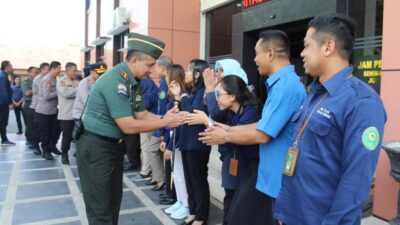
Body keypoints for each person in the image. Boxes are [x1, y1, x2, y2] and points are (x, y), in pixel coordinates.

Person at [274, 13, 387, 225]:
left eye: (307, 45)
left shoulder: (362, 102)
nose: (302, 53)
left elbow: (356, 180)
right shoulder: (315, 93)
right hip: (292, 215)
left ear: (328, 47)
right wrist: (284, 212)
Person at [199, 30, 307, 225]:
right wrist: (227, 130)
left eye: (257, 53)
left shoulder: (285, 87)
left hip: (277, 180)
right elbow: (264, 125)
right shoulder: (280, 85)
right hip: (268, 177)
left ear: (271, 53)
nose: (255, 59)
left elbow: (263, 134)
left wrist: (225, 136)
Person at [76, 32, 183, 225]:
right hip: (96, 148)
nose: (152, 70)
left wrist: (165, 117)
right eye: (149, 65)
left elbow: (142, 114)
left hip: (112, 147)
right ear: (134, 60)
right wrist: (165, 122)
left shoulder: (133, 82)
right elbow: (128, 124)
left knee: (113, 202)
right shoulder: (115, 81)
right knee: (100, 208)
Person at [186, 74, 261, 225]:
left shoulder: (250, 112)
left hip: (248, 166)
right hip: (232, 163)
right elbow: (215, 118)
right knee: (229, 202)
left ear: (233, 96)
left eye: (219, 94)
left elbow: (235, 135)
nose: (217, 98)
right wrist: (209, 119)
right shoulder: (228, 110)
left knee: (238, 206)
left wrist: (207, 121)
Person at [169, 59, 211, 225]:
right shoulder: (192, 92)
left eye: (188, 70)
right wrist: (181, 96)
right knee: (190, 180)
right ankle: (193, 211)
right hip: (187, 143)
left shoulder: (203, 92)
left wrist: (183, 96)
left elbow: (192, 113)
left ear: (197, 74)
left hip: (198, 144)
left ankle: (201, 217)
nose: (185, 73)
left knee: (198, 181)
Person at [163, 64, 189, 220]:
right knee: (176, 173)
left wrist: (170, 143)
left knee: (180, 173)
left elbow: (179, 122)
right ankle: (180, 201)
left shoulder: (182, 96)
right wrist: (166, 140)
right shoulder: (172, 95)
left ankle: (186, 204)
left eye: (167, 75)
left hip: (179, 139)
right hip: (173, 138)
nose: (165, 78)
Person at [36, 61, 62, 160]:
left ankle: (52, 147)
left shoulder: (55, 79)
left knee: (55, 130)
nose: (60, 70)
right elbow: (46, 96)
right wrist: (59, 91)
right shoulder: (46, 80)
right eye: (59, 68)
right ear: (53, 68)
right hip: (44, 112)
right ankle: (45, 151)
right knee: (45, 133)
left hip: (53, 110)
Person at [57, 62, 79, 165]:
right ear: (67, 70)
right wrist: (78, 89)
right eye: (74, 70)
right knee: (67, 137)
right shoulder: (62, 81)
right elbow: (66, 93)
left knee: (79, 135)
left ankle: (78, 152)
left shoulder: (75, 81)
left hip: (77, 113)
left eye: (76, 70)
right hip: (66, 114)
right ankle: (64, 155)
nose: (75, 72)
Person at [30, 62, 50, 155]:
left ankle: (44, 146)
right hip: (37, 106)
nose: (49, 71)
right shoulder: (39, 79)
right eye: (47, 69)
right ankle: (36, 146)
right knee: (38, 128)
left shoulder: (47, 78)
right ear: (42, 70)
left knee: (45, 128)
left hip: (44, 106)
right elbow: (45, 92)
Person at [21, 66, 39, 148]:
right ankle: (29, 139)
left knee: (36, 123)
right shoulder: (26, 82)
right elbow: (27, 93)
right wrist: (37, 88)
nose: (36, 74)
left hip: (37, 104)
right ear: (29, 73)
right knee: (29, 123)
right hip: (28, 104)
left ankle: (35, 140)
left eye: (37, 72)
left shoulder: (39, 81)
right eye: (35, 72)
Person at [0, 60, 15, 146]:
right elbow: (4, 91)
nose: (12, 68)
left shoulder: (4, 75)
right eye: (11, 66)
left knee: (2, 121)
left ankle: (4, 138)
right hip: (3, 103)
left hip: (2, 102)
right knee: (3, 121)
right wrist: (10, 103)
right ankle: (4, 139)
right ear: (6, 67)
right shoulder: (3, 76)